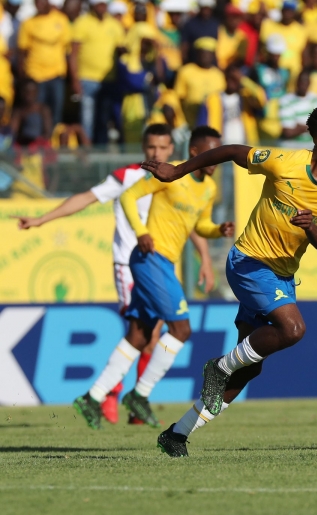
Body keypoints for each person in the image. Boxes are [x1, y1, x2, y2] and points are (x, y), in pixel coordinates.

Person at [143, 104, 317, 457]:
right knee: (293, 329)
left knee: (248, 370)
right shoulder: (284, 163)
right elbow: (231, 151)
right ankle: (218, 366)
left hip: (282, 276)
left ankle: (177, 434)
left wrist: (311, 228)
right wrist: (178, 170)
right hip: (248, 262)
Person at [15, 123, 215, 424]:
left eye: (162, 147)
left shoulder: (179, 176)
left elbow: (189, 220)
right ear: (143, 147)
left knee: (143, 333)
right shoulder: (128, 176)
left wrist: (205, 257)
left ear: (171, 149)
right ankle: (122, 397)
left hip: (160, 262)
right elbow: (86, 197)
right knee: (160, 333)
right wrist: (43, 219)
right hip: (129, 264)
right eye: (151, 147)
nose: (156, 152)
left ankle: (105, 398)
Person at [71, 126, 234, 430]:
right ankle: (140, 395)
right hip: (150, 258)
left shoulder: (209, 189)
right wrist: (141, 232)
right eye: (211, 153)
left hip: (164, 263)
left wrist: (217, 230)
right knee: (181, 329)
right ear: (195, 152)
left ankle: (92, 397)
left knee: (140, 334)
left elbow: (200, 225)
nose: (216, 159)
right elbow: (129, 196)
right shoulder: (172, 174)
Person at [70, 0, 126, 142]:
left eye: (104, 4)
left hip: (108, 80)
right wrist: (75, 79)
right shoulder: (82, 22)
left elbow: (121, 50)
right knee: (87, 119)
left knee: (103, 119)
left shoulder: (114, 24)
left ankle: (101, 149)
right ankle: (87, 150)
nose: (102, 7)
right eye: (99, 4)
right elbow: (73, 54)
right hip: (86, 78)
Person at [16, 0, 71, 127]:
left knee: (56, 111)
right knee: (37, 114)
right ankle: (38, 138)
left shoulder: (61, 19)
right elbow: (22, 52)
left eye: (41, 2)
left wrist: (70, 76)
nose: (39, 5)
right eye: (37, 2)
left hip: (56, 74)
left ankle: (53, 137)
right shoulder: (28, 23)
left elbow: (67, 50)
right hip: (36, 75)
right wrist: (22, 77)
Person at [175, 37, 226, 126]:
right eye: (202, 53)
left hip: (213, 125)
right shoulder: (186, 71)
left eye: (208, 53)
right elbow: (178, 99)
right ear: (197, 54)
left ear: (213, 55)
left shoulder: (219, 75)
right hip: (190, 123)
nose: (205, 56)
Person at [278, 69, 317, 141]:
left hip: (311, 144)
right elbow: (288, 132)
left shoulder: (316, 99)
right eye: (301, 81)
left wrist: (299, 126)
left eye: (306, 81)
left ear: (309, 83)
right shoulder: (286, 100)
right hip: (291, 144)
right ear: (296, 82)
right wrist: (310, 126)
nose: (303, 84)